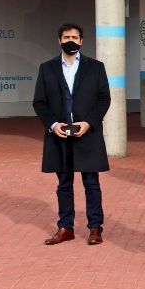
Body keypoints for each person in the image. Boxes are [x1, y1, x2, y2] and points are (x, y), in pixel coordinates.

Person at [32, 23, 112, 247]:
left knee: (91, 184)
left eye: (75, 37)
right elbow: (39, 102)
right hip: (59, 134)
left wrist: (89, 123)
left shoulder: (95, 67)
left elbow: (103, 99)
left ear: (81, 40)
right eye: (67, 37)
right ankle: (65, 227)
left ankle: (95, 228)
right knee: (64, 184)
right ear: (59, 40)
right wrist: (52, 124)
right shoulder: (47, 68)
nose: (71, 40)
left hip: (86, 133)